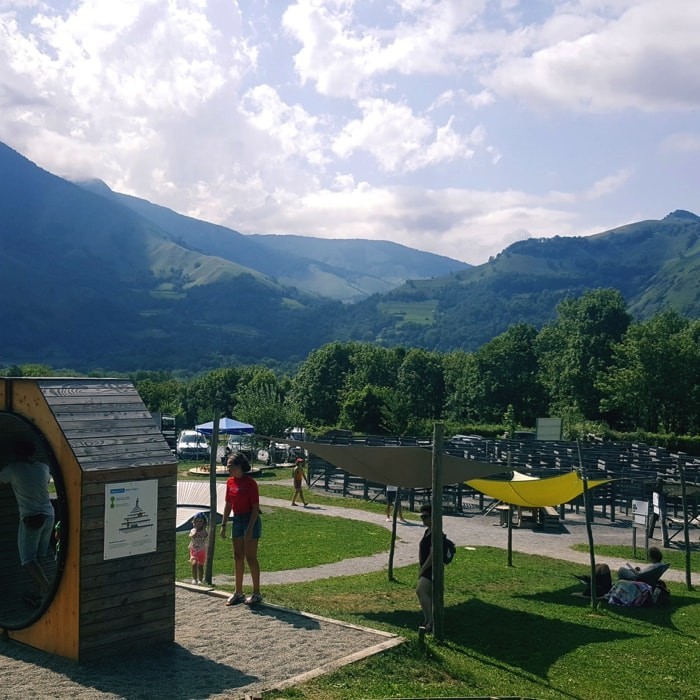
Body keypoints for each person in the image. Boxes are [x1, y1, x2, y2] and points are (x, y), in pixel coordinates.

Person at [0, 439, 55, 608]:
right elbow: (46, 482)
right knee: (39, 557)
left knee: (27, 559)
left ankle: (48, 589)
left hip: (31, 518)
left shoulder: (13, 469)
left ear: (17, 454)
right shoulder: (43, 467)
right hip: (49, 515)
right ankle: (36, 594)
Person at [221, 451, 262, 606]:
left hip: (250, 519)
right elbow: (228, 504)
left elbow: (255, 508)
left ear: (239, 466)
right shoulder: (230, 482)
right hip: (237, 520)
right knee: (238, 556)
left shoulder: (251, 483)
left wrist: (250, 529)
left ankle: (256, 593)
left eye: (230, 465)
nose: (228, 468)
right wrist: (224, 524)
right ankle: (238, 592)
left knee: (250, 557)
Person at [416, 503, 434, 633]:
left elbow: (433, 555)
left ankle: (430, 621)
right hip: (425, 567)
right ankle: (427, 620)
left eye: (425, 516)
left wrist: (423, 569)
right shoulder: (427, 531)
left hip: (431, 568)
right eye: (421, 516)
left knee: (421, 591)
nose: (423, 519)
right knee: (426, 593)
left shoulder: (436, 533)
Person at [189, 512, 208, 585]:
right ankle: (194, 579)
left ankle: (200, 580)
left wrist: (204, 528)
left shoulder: (205, 531)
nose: (198, 523)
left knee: (200, 566)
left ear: (204, 523)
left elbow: (206, 535)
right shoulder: (193, 530)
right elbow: (193, 536)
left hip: (202, 550)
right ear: (194, 522)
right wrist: (196, 529)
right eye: (197, 521)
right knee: (194, 564)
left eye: (200, 521)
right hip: (194, 550)